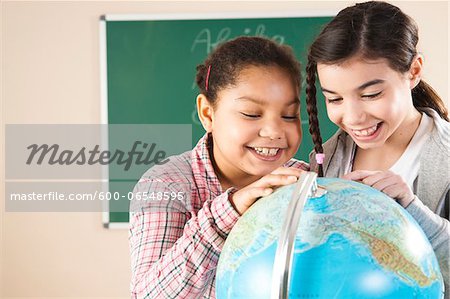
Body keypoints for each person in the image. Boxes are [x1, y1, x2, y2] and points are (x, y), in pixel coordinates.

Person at [128, 36, 308, 298]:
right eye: (251, 113)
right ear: (207, 113)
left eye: (289, 115)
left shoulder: (306, 183)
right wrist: (230, 211)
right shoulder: (166, 184)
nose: (273, 131)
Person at [305, 1, 449, 297]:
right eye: (334, 99)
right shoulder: (324, 160)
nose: (353, 117)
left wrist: (412, 209)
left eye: (371, 94)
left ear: (414, 71)